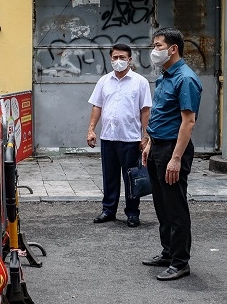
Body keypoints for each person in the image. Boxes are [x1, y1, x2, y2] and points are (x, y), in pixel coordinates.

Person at [141, 28, 202, 281]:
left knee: (175, 207)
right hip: (158, 146)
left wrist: (175, 158)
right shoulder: (165, 76)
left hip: (173, 149)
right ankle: (168, 251)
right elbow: (161, 115)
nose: (154, 51)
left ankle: (180, 261)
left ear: (173, 48)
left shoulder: (185, 79)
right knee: (162, 205)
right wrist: (149, 144)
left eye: (158, 45)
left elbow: (188, 122)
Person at [86, 44, 152, 227]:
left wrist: (145, 136)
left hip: (130, 138)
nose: (118, 61)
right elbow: (97, 106)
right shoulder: (104, 81)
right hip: (108, 137)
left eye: (122, 57)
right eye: (115, 57)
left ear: (130, 59)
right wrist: (91, 129)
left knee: (132, 177)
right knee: (109, 176)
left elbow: (145, 110)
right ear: (110, 59)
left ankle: (132, 213)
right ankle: (108, 210)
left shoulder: (140, 82)